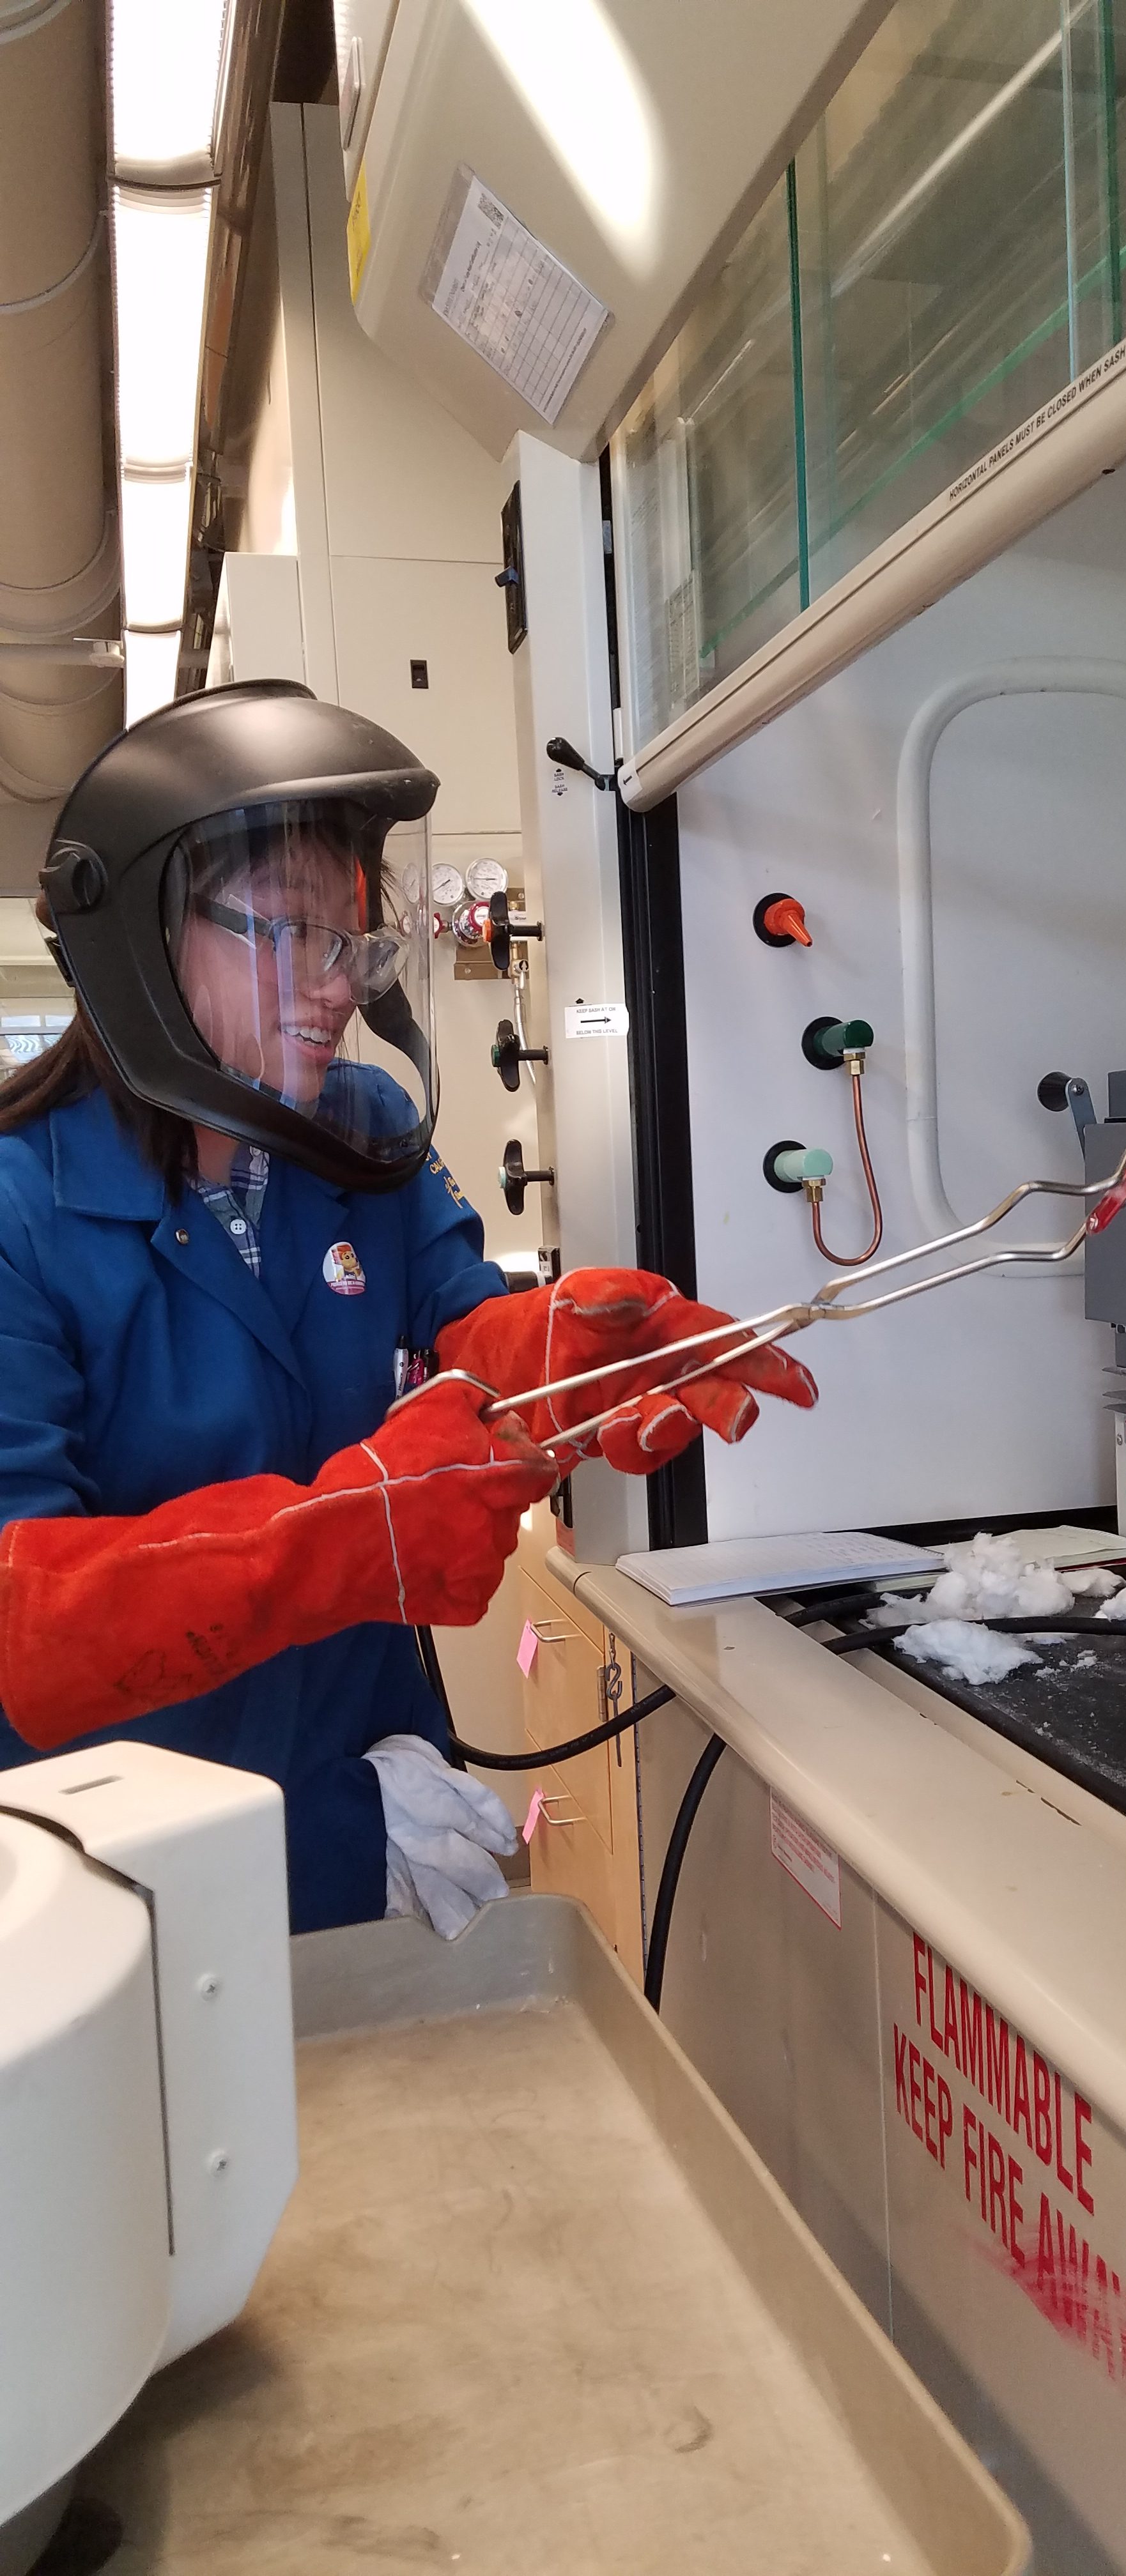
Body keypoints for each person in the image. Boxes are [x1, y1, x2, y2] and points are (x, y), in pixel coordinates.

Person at [0, 682, 815, 1932]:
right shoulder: (19, 1210)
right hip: (115, 1871)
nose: (337, 987)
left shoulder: (355, 1135)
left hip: (359, 1770)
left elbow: (463, 1320)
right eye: (292, 933)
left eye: (356, 943)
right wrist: (342, 1538)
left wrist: (574, 1353)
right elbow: (26, 1629)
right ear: (141, 937)